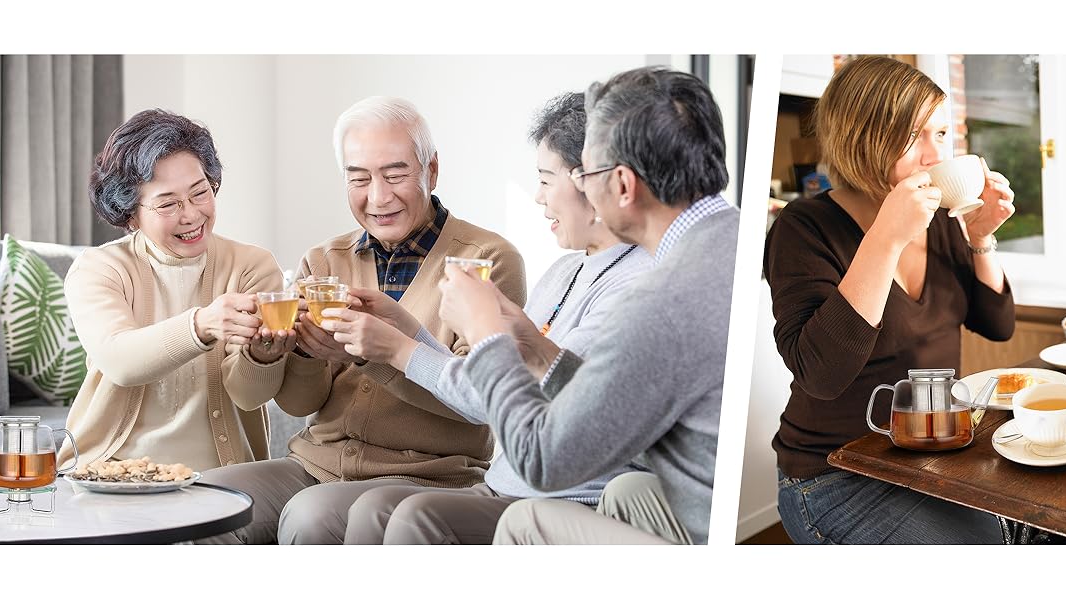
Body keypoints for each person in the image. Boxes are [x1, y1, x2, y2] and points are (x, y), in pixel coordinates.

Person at [327, 92, 657, 544]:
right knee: (374, 508)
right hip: (506, 487)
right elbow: (489, 386)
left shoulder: (638, 285)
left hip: (567, 502)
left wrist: (400, 351)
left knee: (413, 516)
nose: (538, 197)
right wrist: (407, 329)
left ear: (595, 183)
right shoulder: (566, 271)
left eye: (545, 179)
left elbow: (518, 404)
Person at [197, 97, 526, 544]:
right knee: (206, 502)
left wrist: (372, 356)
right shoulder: (324, 259)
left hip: (429, 475)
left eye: (395, 175)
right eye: (359, 178)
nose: (378, 197)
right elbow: (298, 405)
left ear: (431, 170)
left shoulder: (485, 260)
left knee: (311, 515)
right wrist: (278, 352)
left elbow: (479, 402)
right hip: (316, 464)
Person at [435, 66, 737, 544]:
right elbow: (622, 395)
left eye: (586, 173)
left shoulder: (659, 301)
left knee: (524, 522)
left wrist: (485, 334)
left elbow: (541, 460)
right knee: (630, 491)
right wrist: (534, 348)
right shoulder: (730, 238)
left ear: (622, 185)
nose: (581, 189)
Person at [765, 55, 1019, 544]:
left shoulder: (943, 219)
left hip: (934, 455)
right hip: (834, 476)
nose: (933, 155)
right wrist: (886, 239)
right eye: (912, 135)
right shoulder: (803, 228)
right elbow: (821, 374)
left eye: (941, 134)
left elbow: (997, 325)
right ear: (861, 136)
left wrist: (981, 237)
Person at [59, 109, 290, 473]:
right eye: (168, 203)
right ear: (130, 214)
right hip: (112, 469)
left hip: (224, 474)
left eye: (200, 193)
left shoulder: (252, 266)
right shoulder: (100, 268)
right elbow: (120, 360)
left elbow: (251, 395)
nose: (191, 215)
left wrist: (264, 357)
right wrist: (202, 326)